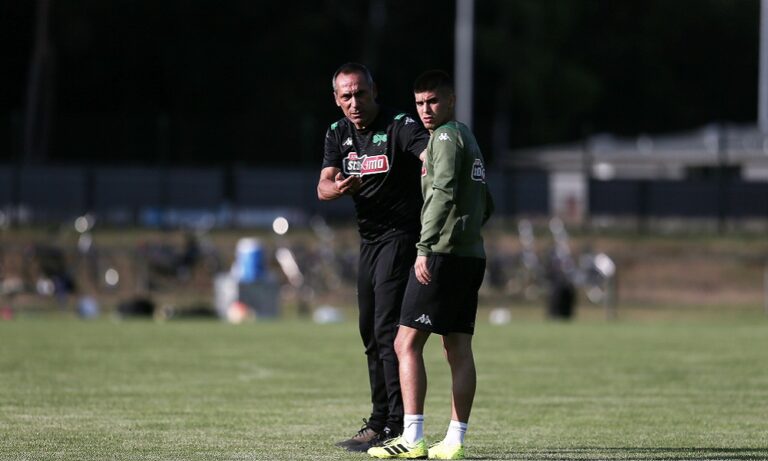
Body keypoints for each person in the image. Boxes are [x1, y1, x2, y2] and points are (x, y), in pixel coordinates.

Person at [368, 70, 493, 460]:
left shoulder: (442, 138)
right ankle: (454, 441)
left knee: (404, 342)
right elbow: (486, 202)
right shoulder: (467, 136)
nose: (425, 109)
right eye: (419, 103)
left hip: (441, 255)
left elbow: (442, 192)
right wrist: (467, 232)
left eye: (433, 101)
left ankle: (413, 437)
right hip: (470, 255)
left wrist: (425, 248)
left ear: (450, 100)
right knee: (457, 348)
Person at [318, 62, 430, 452]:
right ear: (337, 99)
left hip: (401, 237)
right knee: (369, 331)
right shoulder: (338, 132)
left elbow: (430, 153)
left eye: (360, 93)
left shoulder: (399, 125)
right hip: (368, 241)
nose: (354, 102)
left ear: (374, 91)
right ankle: (379, 419)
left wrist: (435, 161)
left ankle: (396, 424)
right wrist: (337, 188)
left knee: (386, 331)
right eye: (346, 96)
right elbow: (323, 186)